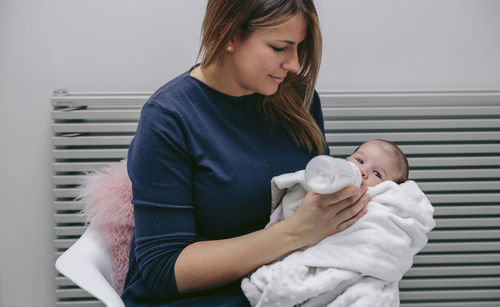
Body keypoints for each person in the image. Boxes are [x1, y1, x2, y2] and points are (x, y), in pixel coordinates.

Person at [122, 1, 370, 306]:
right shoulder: (169, 118)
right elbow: (163, 270)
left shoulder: (298, 99)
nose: (293, 64)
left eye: (299, 48)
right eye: (280, 47)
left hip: (290, 286)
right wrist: (294, 232)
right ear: (229, 33)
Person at [241, 139, 435, 306]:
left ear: (390, 187)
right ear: (347, 160)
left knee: (368, 296)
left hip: (353, 267)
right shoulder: (325, 186)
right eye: (360, 160)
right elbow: (294, 204)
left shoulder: (383, 204)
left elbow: (384, 239)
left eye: (378, 174)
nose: (364, 171)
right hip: (306, 252)